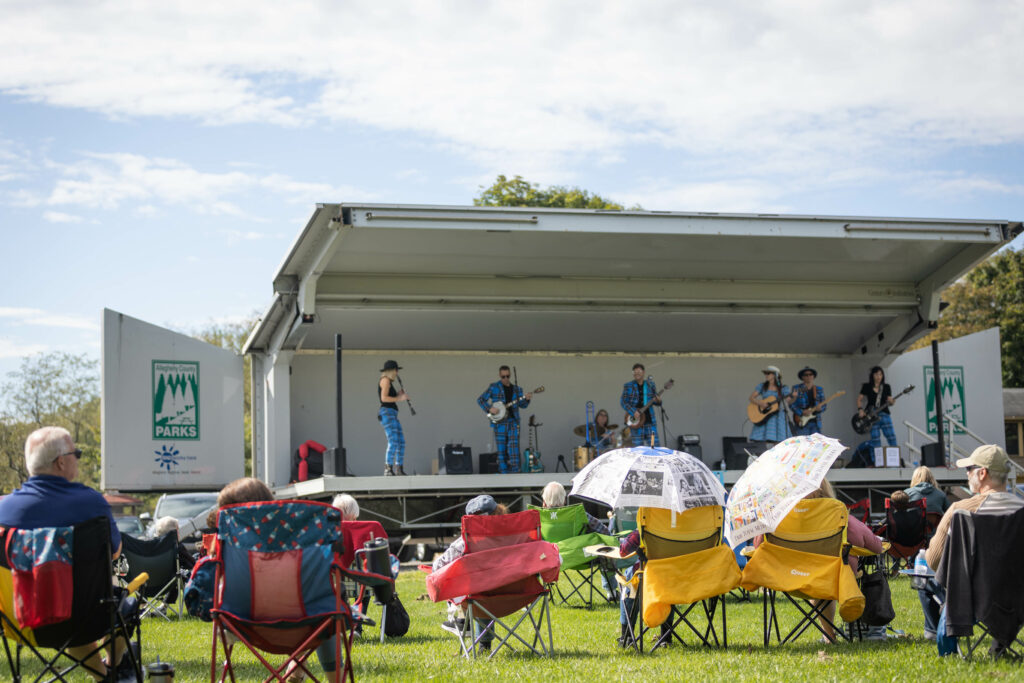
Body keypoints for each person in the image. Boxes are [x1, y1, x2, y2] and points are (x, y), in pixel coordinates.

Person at [0, 427, 127, 681]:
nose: (77, 459)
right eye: (76, 453)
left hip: (20, 624)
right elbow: (115, 554)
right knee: (127, 605)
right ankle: (110, 670)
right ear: (60, 462)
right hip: (85, 618)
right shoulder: (92, 504)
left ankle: (103, 676)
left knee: (65, 607)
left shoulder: (3, 511)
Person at [917, 445, 1014, 642]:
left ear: (982, 473)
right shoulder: (1020, 510)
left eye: (969, 469)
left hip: (972, 597)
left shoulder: (960, 510)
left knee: (922, 563)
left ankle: (935, 632)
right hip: (1017, 597)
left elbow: (935, 560)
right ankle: (1001, 641)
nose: (967, 474)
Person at [434, 495, 504, 651]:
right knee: (487, 581)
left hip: (480, 599)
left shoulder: (466, 540)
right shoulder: (515, 533)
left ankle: (463, 621)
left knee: (476, 583)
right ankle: (484, 644)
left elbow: (438, 565)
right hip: (515, 594)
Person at [477, 366, 532, 473]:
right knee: (501, 450)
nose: (505, 378)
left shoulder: (517, 389)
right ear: (499, 375)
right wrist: (489, 409)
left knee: (513, 449)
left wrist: (527, 400)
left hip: (513, 422)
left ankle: (515, 473)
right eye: (503, 376)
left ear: (510, 375)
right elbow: (480, 400)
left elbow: (523, 405)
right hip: (500, 423)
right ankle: (503, 473)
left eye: (508, 376)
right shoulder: (494, 387)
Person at [378, 360, 410, 476]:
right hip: (387, 413)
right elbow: (384, 399)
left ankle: (399, 468)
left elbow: (390, 397)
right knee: (393, 440)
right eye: (396, 370)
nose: (397, 373)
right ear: (392, 370)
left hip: (392, 413)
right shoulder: (385, 380)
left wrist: (398, 394)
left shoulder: (389, 382)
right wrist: (400, 398)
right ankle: (388, 468)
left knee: (401, 442)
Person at [540, 481, 609, 534]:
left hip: (546, 552)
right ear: (564, 500)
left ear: (544, 503)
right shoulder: (577, 514)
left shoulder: (537, 517)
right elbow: (604, 531)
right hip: (574, 552)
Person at [748, 365, 792, 444]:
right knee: (760, 442)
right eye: (766, 373)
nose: (766, 375)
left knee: (779, 441)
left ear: (775, 375)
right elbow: (751, 398)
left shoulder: (783, 388)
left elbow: (789, 401)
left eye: (768, 373)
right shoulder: (762, 386)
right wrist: (761, 403)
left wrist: (794, 396)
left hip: (778, 415)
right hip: (765, 415)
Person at [620, 363, 661, 447]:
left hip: (650, 422)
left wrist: (658, 401)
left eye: (639, 371)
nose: (636, 373)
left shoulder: (650, 385)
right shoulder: (628, 386)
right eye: (634, 371)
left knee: (654, 447)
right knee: (638, 448)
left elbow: (656, 402)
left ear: (643, 372)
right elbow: (623, 402)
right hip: (636, 422)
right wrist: (633, 411)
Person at [857, 366, 897, 450]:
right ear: (872, 375)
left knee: (891, 436)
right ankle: (877, 461)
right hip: (871, 415)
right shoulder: (867, 386)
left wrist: (892, 401)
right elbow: (859, 399)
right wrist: (860, 409)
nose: (879, 376)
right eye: (876, 374)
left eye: (880, 374)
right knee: (875, 439)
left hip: (884, 413)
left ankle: (895, 458)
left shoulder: (886, 387)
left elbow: (890, 402)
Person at [790, 366, 826, 436]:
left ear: (813, 376)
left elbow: (824, 405)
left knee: (816, 445)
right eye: (806, 375)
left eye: (810, 374)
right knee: (802, 444)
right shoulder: (797, 388)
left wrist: (820, 409)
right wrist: (801, 412)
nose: (808, 376)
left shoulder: (819, 389)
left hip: (816, 422)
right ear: (802, 377)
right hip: (802, 422)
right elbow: (792, 404)